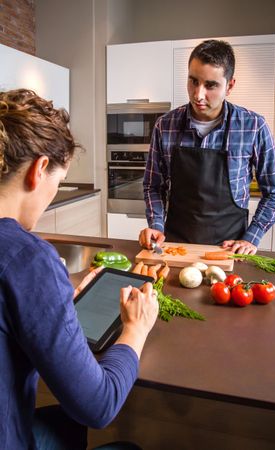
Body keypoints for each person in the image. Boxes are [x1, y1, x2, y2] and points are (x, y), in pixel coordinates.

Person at [0, 89, 159, 450]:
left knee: (64, 423)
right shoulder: (27, 259)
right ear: (40, 170)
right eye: (57, 184)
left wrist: (52, 305)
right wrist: (135, 329)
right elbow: (98, 405)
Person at [139, 39, 275, 256]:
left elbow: (274, 193)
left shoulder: (253, 126)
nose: (198, 94)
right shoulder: (165, 126)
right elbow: (153, 186)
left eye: (210, 85)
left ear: (230, 85)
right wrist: (157, 225)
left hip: (229, 249)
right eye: (193, 81)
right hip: (176, 248)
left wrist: (251, 238)